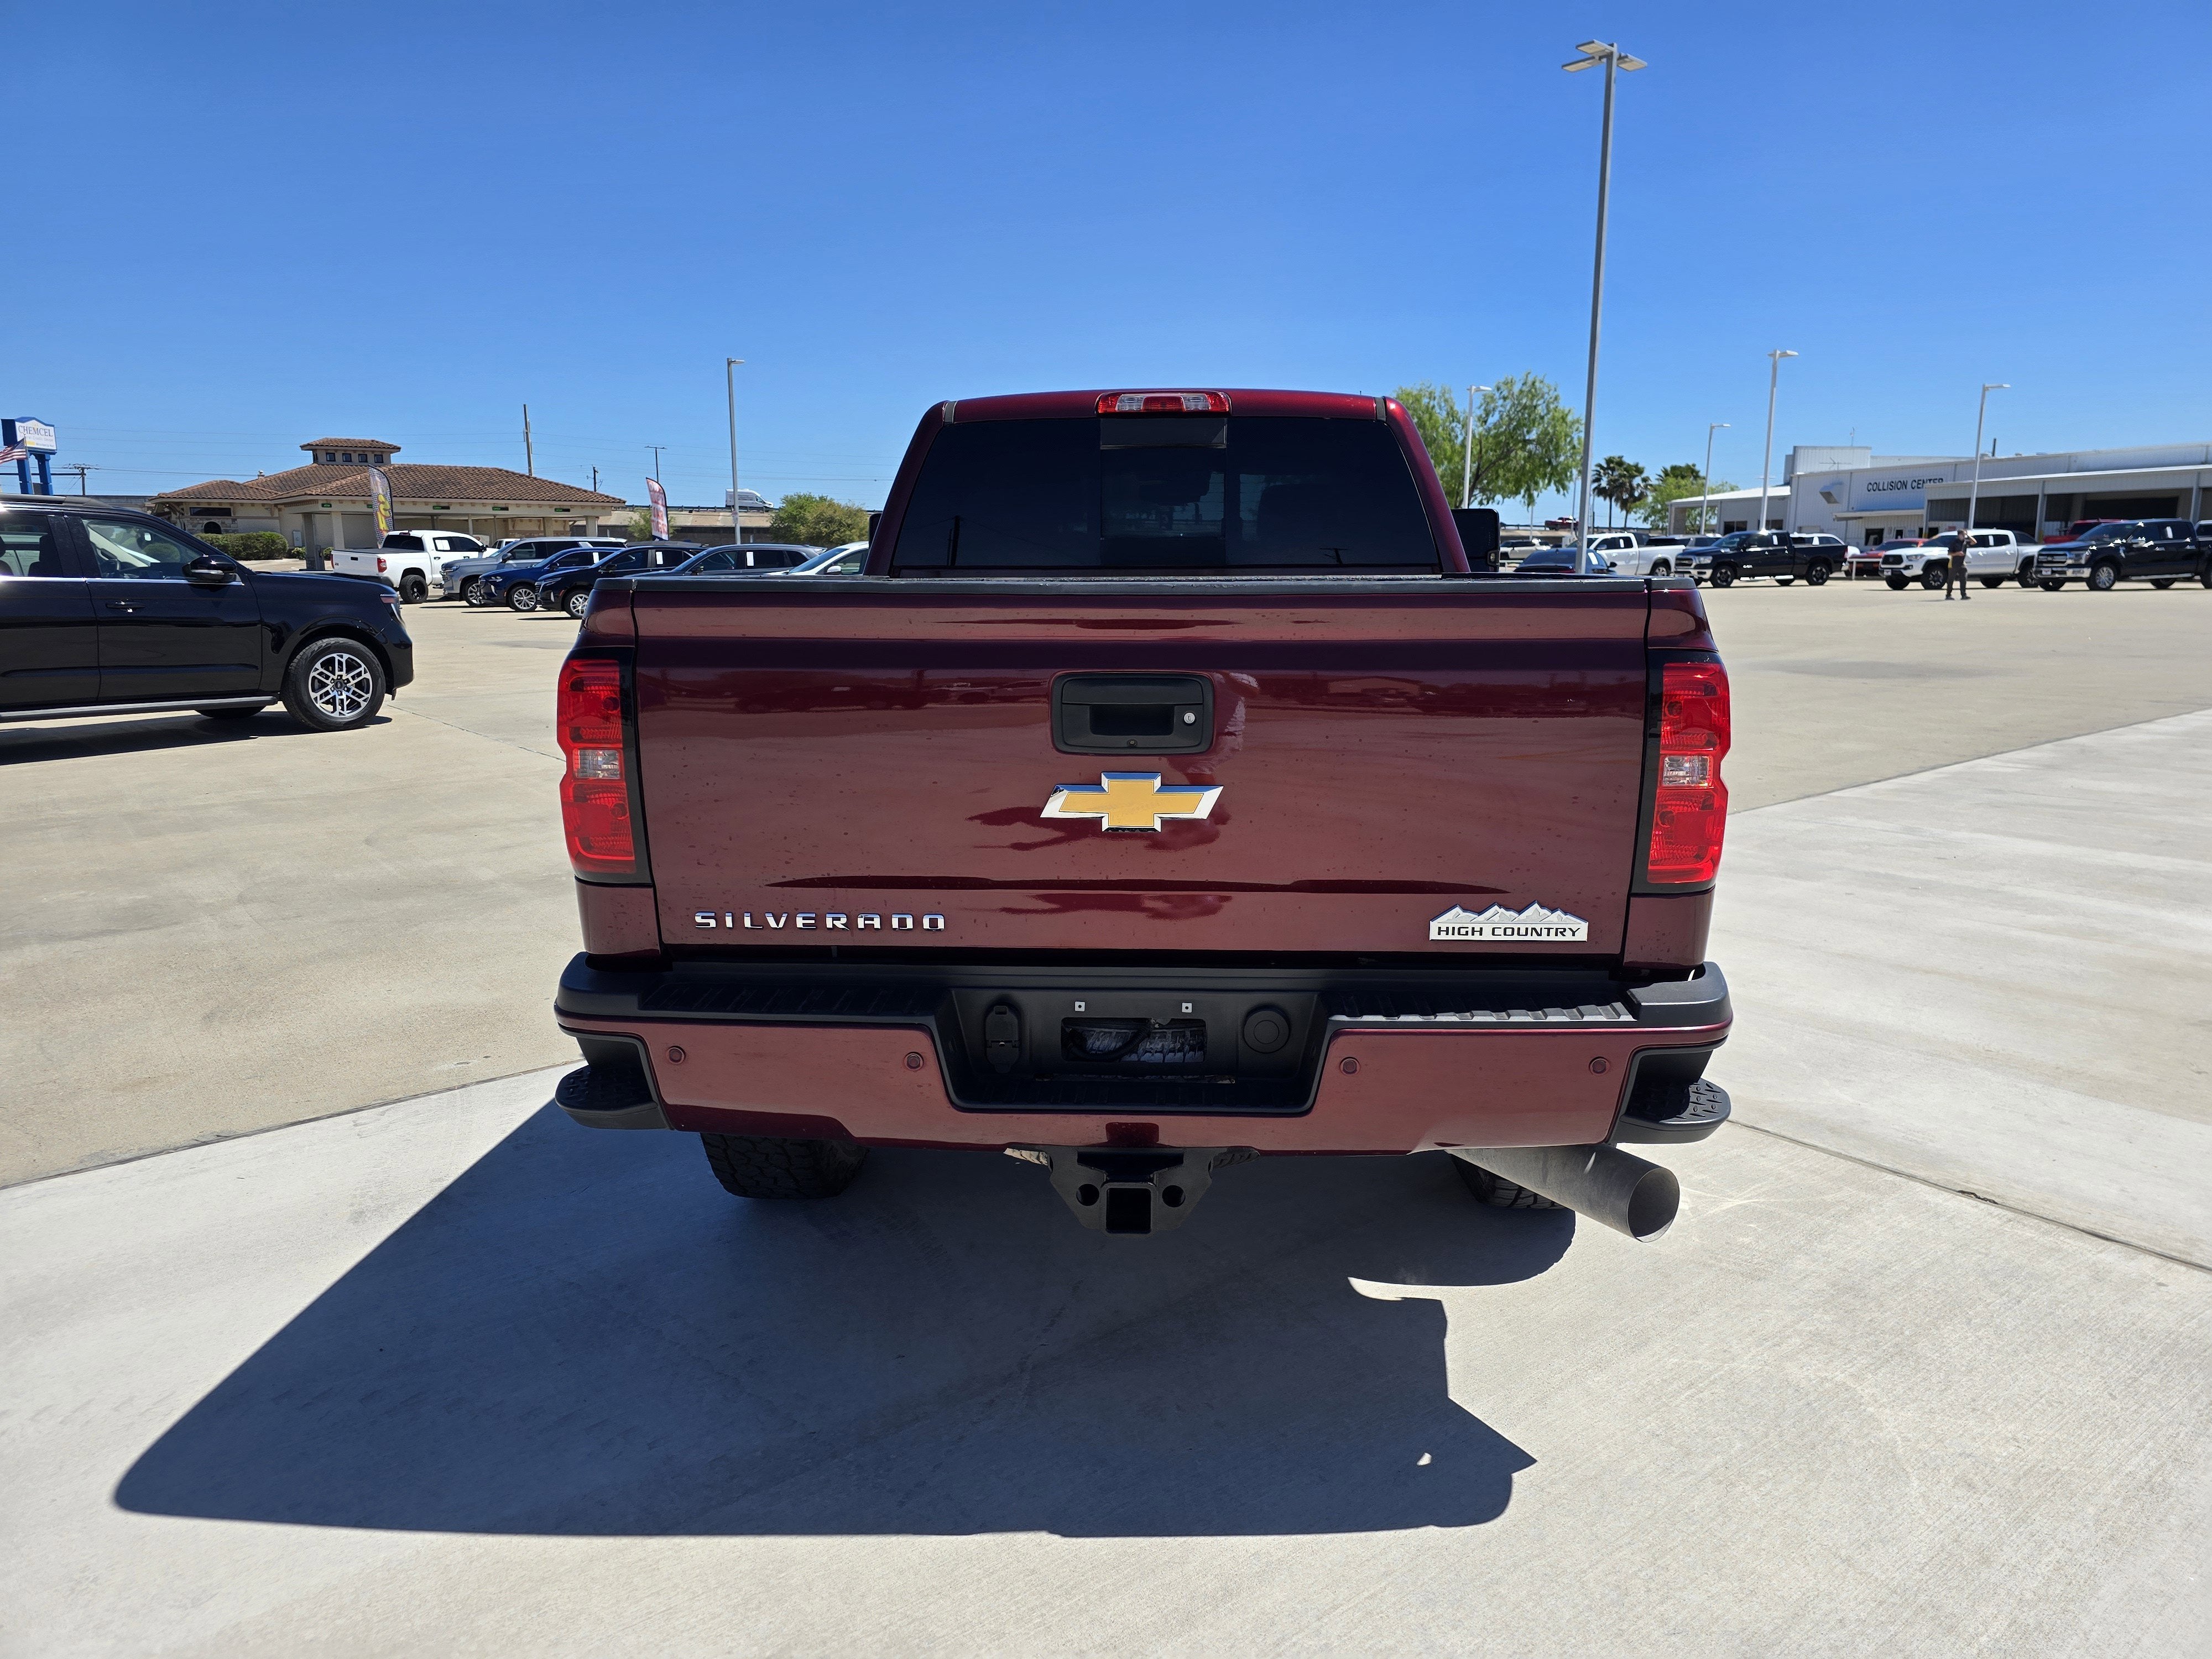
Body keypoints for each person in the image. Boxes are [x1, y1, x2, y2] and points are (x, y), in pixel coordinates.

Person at [1944, 528, 1973, 600]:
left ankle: (1964, 595)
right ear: (1959, 535)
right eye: (1963, 534)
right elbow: (1949, 553)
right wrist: (1957, 553)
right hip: (1953, 564)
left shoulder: (1966, 542)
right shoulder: (1954, 542)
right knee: (1951, 579)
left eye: (1965, 534)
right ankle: (1948, 595)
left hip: (1962, 564)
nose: (1964, 536)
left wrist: (1968, 535)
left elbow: (1974, 542)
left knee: (1963, 579)